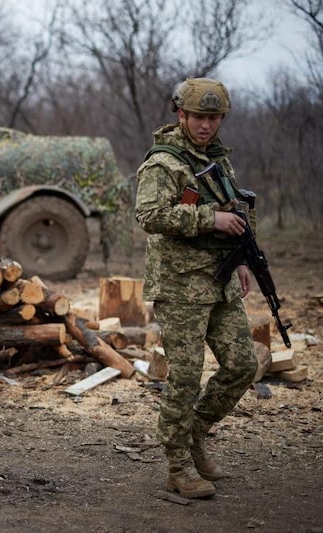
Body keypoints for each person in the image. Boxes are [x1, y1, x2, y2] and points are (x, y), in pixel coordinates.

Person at [135, 77, 257, 498]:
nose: (206, 126)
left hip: (220, 279)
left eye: (213, 118)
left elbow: (236, 209)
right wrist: (209, 219)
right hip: (181, 285)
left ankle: (195, 434)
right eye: (198, 117)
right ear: (181, 115)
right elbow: (149, 215)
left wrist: (241, 257)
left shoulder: (218, 159)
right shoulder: (163, 162)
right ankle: (177, 465)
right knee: (185, 379)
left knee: (243, 365)